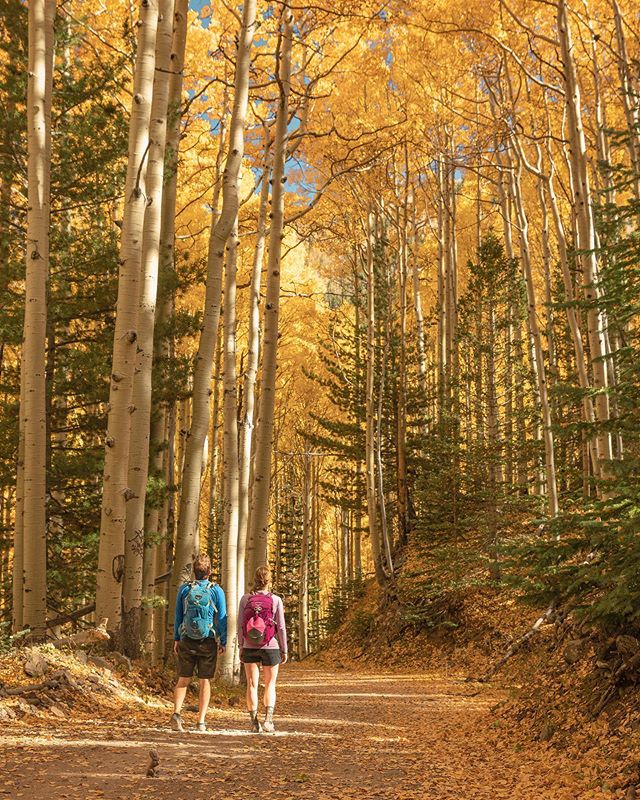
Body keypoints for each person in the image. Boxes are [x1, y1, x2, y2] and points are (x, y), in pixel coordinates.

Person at [170, 552, 227, 733]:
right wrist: (223, 640)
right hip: (208, 640)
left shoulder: (185, 589)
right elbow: (222, 618)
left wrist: (177, 639)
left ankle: (177, 714)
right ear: (209, 572)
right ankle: (201, 721)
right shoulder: (216, 590)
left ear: (194, 572)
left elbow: (178, 615)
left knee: (183, 679)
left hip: (187, 639)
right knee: (205, 681)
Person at [238, 565, 288, 733]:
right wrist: (284, 649)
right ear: (269, 581)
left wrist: (241, 645)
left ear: (255, 580)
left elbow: (239, 625)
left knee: (251, 684)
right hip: (270, 646)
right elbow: (281, 627)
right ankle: (268, 720)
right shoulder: (276, 600)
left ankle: (254, 723)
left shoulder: (245, 599)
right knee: (270, 684)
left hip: (249, 646)